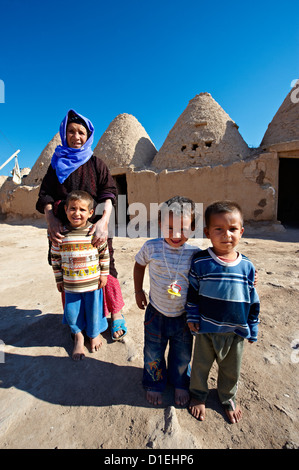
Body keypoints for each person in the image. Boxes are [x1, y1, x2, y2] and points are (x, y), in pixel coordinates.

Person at [36, 109, 127, 340]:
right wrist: (51, 220)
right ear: (64, 134)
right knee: (69, 270)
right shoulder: (56, 164)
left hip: (94, 227)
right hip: (63, 230)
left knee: (107, 268)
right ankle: (78, 321)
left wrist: (104, 222)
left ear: (88, 136)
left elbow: (109, 193)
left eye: (81, 132)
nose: (76, 136)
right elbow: (45, 195)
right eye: (71, 132)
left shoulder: (97, 163)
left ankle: (116, 314)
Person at [186, 201, 260, 424]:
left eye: (232, 229)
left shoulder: (247, 266)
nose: (226, 235)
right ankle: (198, 396)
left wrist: (252, 327)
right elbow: (192, 292)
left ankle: (227, 398)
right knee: (200, 366)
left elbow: (252, 299)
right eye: (218, 229)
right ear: (207, 232)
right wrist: (192, 316)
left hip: (235, 331)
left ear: (241, 231)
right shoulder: (200, 261)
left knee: (231, 370)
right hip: (206, 328)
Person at [134, 196, 200, 406]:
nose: (176, 234)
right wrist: (138, 291)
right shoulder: (151, 247)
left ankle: (180, 382)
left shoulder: (195, 253)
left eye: (184, 228)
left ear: (193, 227)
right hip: (156, 313)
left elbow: (215, 269)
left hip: (183, 317)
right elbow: (139, 264)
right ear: (160, 225)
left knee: (182, 354)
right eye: (170, 228)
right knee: (153, 352)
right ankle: (154, 383)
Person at [51, 190, 109, 360]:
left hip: (93, 283)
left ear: (91, 213)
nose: (77, 213)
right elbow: (55, 258)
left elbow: (104, 253)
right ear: (66, 210)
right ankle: (78, 335)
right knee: (72, 311)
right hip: (71, 285)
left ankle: (93, 333)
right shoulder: (61, 234)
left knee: (94, 310)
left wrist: (104, 274)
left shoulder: (94, 232)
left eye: (82, 210)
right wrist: (59, 279)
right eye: (73, 209)